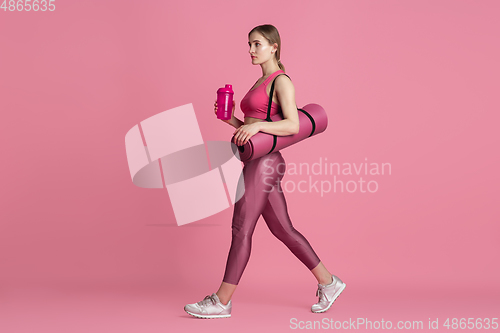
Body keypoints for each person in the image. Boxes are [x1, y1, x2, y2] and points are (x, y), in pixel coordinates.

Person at [184, 24, 346, 319]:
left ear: (274, 47)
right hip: (257, 160)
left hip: (266, 163)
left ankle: (221, 302)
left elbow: (292, 125)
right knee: (283, 229)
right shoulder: (259, 83)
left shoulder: (281, 81)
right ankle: (329, 282)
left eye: (257, 44)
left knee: (240, 228)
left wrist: (257, 125)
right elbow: (251, 130)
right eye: (249, 44)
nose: (251, 50)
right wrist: (232, 121)